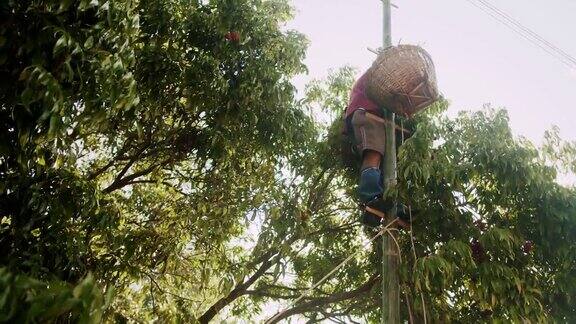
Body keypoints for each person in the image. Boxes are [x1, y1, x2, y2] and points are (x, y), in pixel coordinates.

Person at [343, 70, 405, 227]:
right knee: (373, 155)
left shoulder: (379, 75)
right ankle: (370, 197)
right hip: (367, 115)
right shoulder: (378, 73)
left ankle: (394, 205)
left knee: (388, 167)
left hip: (374, 117)